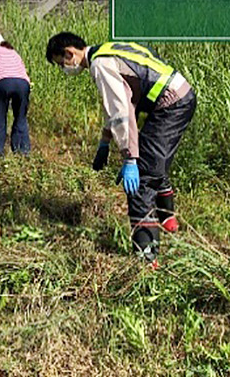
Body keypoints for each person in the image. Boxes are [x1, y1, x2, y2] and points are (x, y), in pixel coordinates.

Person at [46, 33, 196, 267]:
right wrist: (105, 142)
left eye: (60, 63)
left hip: (170, 104)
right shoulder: (108, 50)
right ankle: (169, 222)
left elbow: (121, 112)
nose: (64, 69)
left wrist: (129, 159)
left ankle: (147, 258)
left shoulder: (100, 64)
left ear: (69, 53)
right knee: (152, 159)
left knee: (142, 178)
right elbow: (122, 101)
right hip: (177, 95)